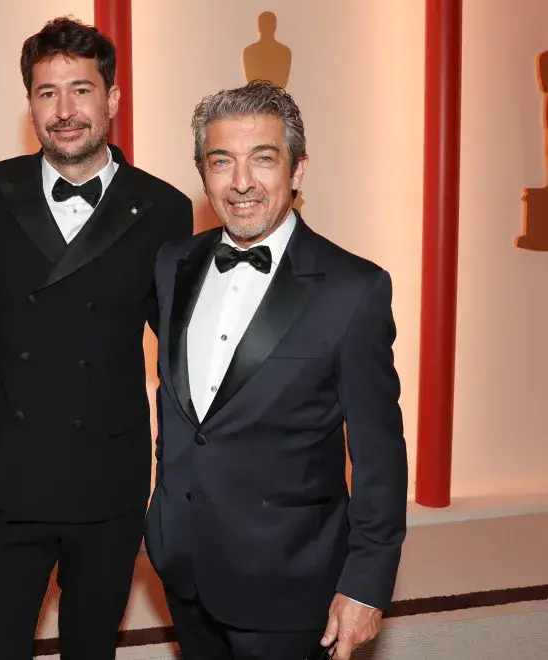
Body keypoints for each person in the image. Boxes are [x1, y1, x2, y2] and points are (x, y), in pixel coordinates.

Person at [0, 17, 193, 660]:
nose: (65, 110)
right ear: (30, 105)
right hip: (4, 473)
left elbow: (186, 334)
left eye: (81, 90)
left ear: (111, 98)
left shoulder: (163, 206)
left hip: (108, 472)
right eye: (47, 92)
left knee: (92, 648)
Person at [144, 80, 407, 660]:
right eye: (221, 162)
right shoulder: (174, 265)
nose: (241, 183)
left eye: (263, 159)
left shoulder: (353, 289)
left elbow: (380, 458)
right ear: (203, 172)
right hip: (183, 569)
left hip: (292, 586)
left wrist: (366, 583)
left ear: (298, 167)